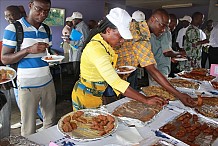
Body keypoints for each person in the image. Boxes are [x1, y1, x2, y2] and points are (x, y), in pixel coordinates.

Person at [71, 7, 167, 111]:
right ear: (108, 31)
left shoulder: (105, 44)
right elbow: (116, 82)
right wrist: (146, 100)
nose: (122, 41)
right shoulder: (96, 49)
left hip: (97, 95)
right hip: (86, 97)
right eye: (120, 37)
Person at [116, 9, 197, 107]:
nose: (163, 30)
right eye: (162, 25)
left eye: (166, 27)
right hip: (110, 72)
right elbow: (151, 69)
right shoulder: (141, 34)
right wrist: (179, 95)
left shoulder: (144, 32)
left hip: (121, 75)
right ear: (153, 20)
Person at [2, 0, 56, 136]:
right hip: (27, 85)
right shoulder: (14, 28)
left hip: (48, 82)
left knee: (50, 121)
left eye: (46, 11)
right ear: (30, 5)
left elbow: (47, 53)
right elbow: (4, 58)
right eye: (39, 9)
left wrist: (53, 56)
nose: (43, 14)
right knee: (28, 126)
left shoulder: (46, 29)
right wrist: (28, 50)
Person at [150, 10, 185, 80]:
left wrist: (171, 58)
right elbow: (167, 52)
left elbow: (159, 49)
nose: (174, 28)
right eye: (174, 25)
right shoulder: (166, 32)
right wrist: (180, 53)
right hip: (161, 67)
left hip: (153, 66)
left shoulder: (155, 31)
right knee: (160, 89)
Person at [69, 11, 89, 86]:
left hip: (79, 51)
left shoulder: (82, 27)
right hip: (75, 50)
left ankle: (77, 85)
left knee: (77, 69)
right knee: (75, 69)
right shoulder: (78, 26)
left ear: (78, 19)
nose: (72, 21)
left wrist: (71, 42)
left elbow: (84, 42)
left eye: (73, 20)